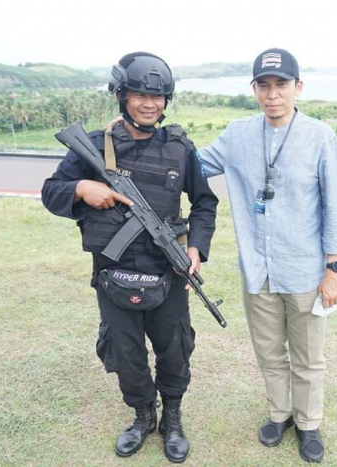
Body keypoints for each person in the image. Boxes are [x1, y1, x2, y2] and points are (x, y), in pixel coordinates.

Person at [41, 52, 218, 463]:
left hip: (168, 272)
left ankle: (172, 416)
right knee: (126, 350)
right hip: (113, 272)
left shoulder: (179, 149)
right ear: (121, 95)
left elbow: (205, 203)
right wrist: (83, 188)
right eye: (140, 93)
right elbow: (51, 191)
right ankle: (142, 416)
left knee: (174, 347)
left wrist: (194, 248)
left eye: (158, 96)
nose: (149, 103)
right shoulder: (94, 147)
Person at [197, 48, 337, 463]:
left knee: (307, 356)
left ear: (298, 87)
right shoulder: (236, 135)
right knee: (269, 353)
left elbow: (335, 206)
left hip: (304, 270)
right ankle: (279, 414)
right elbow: (192, 164)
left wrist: (333, 269)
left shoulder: (320, 137)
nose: (272, 94)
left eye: (281, 84)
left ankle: (308, 423)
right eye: (263, 85)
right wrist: (145, 137)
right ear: (253, 90)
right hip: (257, 271)